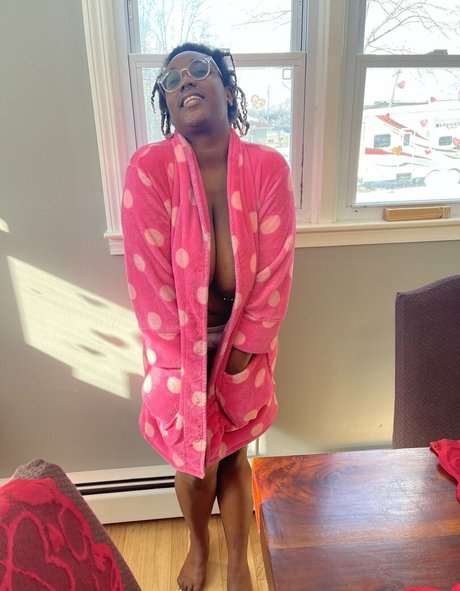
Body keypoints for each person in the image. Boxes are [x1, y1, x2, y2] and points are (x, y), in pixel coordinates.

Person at [121, 42, 295, 591]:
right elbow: (148, 282)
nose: (185, 82)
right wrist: (184, 366)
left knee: (235, 455)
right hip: (177, 348)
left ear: (227, 88)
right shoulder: (149, 169)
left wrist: (239, 356)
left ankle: (238, 558)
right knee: (194, 465)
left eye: (199, 70)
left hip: (244, 340)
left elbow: (275, 273)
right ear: (166, 104)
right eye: (171, 80)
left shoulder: (267, 168)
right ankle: (199, 546)